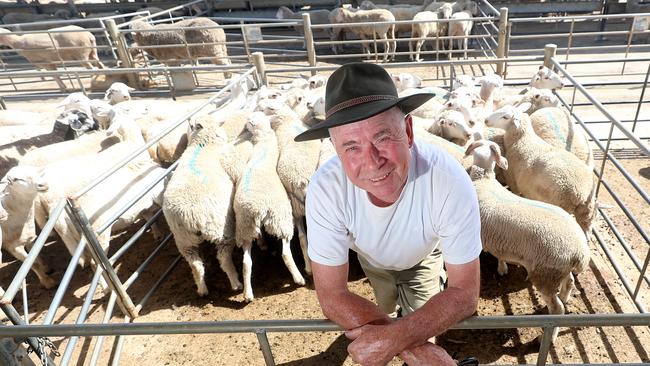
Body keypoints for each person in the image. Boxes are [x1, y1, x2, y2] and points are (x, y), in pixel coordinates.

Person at [294, 62, 482, 366]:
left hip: (424, 256)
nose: (372, 162)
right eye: (351, 146)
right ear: (335, 149)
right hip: (372, 260)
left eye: (382, 137)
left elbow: (463, 292)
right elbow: (331, 295)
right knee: (386, 310)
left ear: (408, 131)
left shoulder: (447, 181)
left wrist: (396, 338)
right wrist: (405, 341)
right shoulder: (326, 189)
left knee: (418, 318)